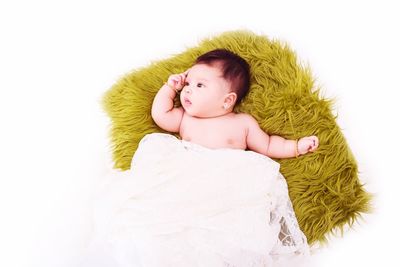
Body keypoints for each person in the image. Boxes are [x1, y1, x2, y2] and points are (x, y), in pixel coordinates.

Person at [151, 48, 319, 158]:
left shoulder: (243, 123)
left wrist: (297, 147)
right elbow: (160, 114)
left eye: (199, 85)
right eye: (187, 84)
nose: (187, 89)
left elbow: (268, 145)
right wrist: (170, 87)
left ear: (228, 100)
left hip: (228, 183)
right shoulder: (185, 117)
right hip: (188, 178)